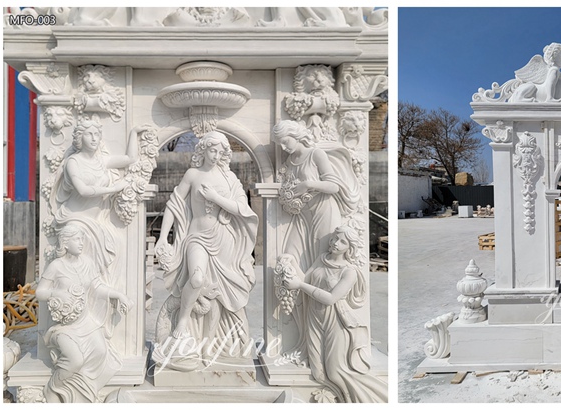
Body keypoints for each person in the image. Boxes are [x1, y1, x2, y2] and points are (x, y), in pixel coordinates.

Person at [154, 131, 258, 365]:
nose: (216, 155)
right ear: (203, 150)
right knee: (197, 279)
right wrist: (163, 237)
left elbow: (243, 209)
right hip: (197, 237)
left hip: (225, 241)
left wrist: (216, 198)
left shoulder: (230, 178)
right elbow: (174, 204)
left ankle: (212, 344)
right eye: (212, 150)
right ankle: (182, 321)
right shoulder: (193, 174)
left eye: (220, 151)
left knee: (219, 295)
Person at [280, 225, 387, 403]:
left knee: (335, 372)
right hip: (314, 317)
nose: (336, 243)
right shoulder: (322, 259)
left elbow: (330, 298)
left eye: (342, 241)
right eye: (335, 238)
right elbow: (305, 279)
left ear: (350, 248)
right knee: (318, 373)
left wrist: (299, 286)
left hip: (336, 320)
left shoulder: (349, 272)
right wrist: (291, 261)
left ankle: (363, 398)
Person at [36, 223, 132, 403]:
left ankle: (83, 394)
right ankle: (53, 389)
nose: (81, 243)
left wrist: (119, 295)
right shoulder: (57, 266)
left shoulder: (87, 263)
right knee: (75, 360)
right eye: (77, 239)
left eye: (81, 239)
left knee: (101, 352)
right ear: (65, 243)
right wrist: (56, 293)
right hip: (64, 327)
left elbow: (97, 287)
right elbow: (39, 292)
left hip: (85, 322)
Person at [51, 117, 142, 284]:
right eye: (89, 134)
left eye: (97, 134)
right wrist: (113, 188)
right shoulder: (73, 162)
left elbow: (130, 158)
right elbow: (83, 190)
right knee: (81, 269)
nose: (94, 138)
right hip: (76, 219)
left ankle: (103, 300)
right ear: (80, 138)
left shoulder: (102, 161)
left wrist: (134, 133)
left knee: (115, 250)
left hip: (97, 222)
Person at [273, 120, 359, 272]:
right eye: (280, 144)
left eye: (285, 142)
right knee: (291, 253)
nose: (283, 148)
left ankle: (320, 293)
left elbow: (334, 186)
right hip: (302, 215)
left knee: (322, 255)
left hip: (324, 210)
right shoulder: (290, 161)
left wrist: (308, 185)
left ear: (296, 135)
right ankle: (301, 290)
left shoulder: (315, 154)